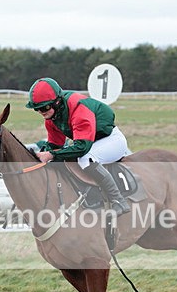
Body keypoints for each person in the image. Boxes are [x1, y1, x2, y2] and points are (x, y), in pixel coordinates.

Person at [26, 77, 131, 215]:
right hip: (92, 142)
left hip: (111, 140)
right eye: (37, 109)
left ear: (57, 102)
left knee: (85, 158)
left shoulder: (78, 108)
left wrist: (51, 154)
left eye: (45, 107)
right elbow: (55, 145)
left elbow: (82, 148)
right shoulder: (51, 118)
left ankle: (118, 200)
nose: (42, 112)